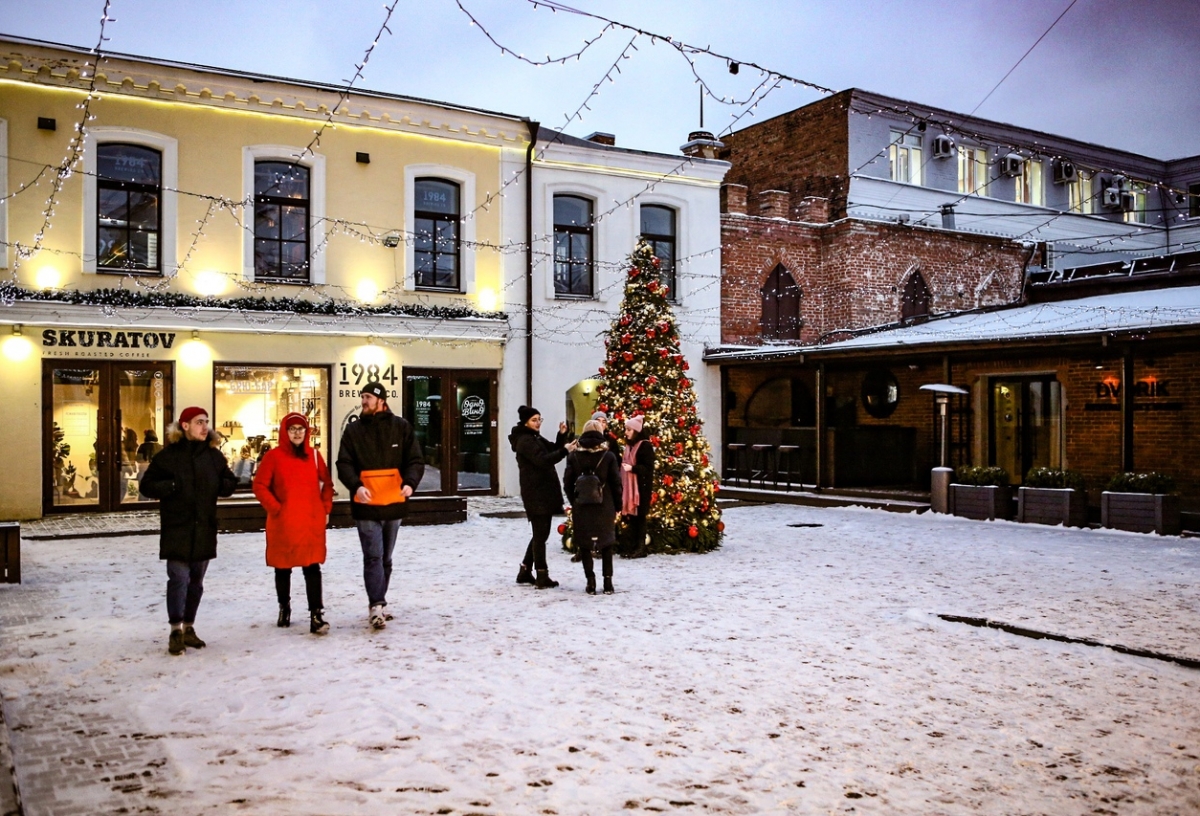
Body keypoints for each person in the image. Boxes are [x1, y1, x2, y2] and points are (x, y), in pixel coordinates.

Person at [139, 406, 238, 656]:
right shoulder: (168, 456)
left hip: (204, 528)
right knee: (179, 580)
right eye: (198, 422)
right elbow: (147, 485)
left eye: (206, 422)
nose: (205, 427)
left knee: (196, 582)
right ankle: (175, 629)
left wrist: (226, 483)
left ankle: (189, 627)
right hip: (177, 528)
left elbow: (228, 483)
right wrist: (171, 486)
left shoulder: (213, 456)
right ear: (184, 426)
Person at [336, 382, 424, 630]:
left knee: (386, 558)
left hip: (394, 503)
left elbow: (415, 460)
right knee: (373, 556)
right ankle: (376, 605)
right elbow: (344, 463)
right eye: (362, 396)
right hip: (365, 504)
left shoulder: (401, 427)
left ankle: (380, 604)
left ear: (381, 400)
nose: (363, 401)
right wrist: (356, 485)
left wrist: (410, 483)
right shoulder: (353, 430)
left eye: (367, 397)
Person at [253, 413, 334, 635]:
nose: (297, 433)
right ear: (284, 432)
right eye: (292, 429)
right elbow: (260, 485)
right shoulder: (273, 457)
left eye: (301, 428)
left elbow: (327, 484)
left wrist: (325, 508)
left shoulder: (315, 456)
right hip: (283, 522)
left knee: (312, 567)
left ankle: (316, 613)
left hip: (309, 522)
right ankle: (284, 606)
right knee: (283, 567)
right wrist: (276, 508)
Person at [508, 405, 574, 589]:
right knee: (540, 534)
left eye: (539, 419)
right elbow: (543, 460)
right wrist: (565, 451)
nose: (538, 423)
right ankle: (541, 575)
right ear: (525, 422)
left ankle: (525, 570)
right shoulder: (525, 441)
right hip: (535, 492)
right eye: (534, 420)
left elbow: (551, 449)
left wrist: (561, 437)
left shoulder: (534, 437)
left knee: (540, 533)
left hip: (543, 491)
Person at [563, 419, 623, 594]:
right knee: (606, 544)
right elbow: (616, 483)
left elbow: (567, 482)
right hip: (605, 505)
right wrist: (618, 505)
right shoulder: (609, 456)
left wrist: (574, 499)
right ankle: (608, 582)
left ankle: (590, 582)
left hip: (582, 506)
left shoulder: (574, 456)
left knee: (585, 544)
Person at [620, 415, 656, 558]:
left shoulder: (645, 446)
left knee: (640, 518)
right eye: (626, 429)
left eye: (629, 429)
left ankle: (640, 548)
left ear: (635, 431)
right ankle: (631, 547)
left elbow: (648, 467)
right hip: (630, 488)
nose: (626, 432)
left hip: (641, 489)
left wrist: (632, 468)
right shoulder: (629, 446)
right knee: (632, 519)